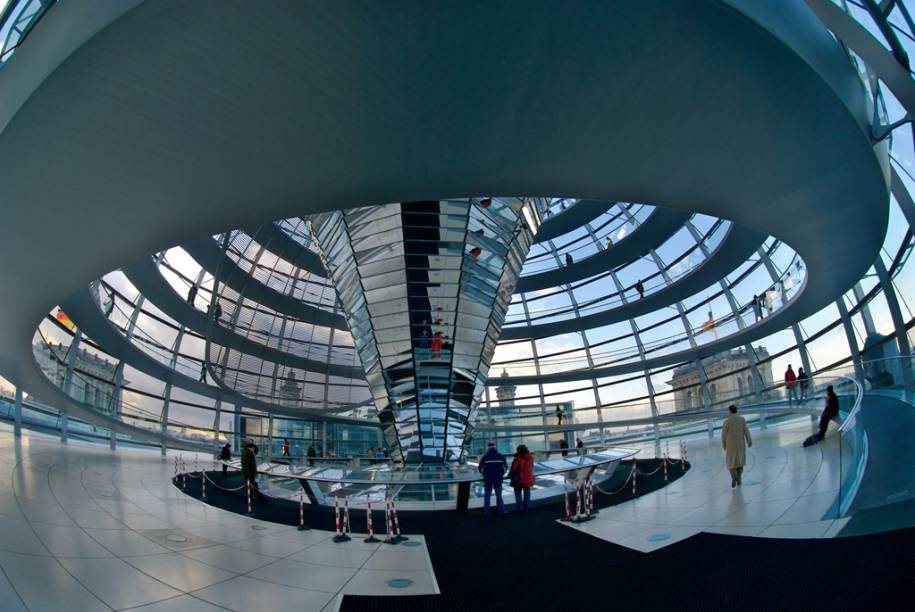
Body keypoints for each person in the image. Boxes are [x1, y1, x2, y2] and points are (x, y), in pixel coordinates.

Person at [722, 404, 752, 488]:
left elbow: (723, 435)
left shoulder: (726, 422)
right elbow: (746, 431)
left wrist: (724, 445)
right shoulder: (742, 419)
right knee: (740, 463)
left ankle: (734, 478)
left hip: (730, 445)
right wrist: (749, 441)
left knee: (731, 464)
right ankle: (738, 478)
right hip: (740, 444)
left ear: (729, 411)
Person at [478, 442, 507, 515]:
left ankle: (486, 512)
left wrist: (484, 475)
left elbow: (480, 468)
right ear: (495, 447)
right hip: (498, 479)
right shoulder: (501, 456)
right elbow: (505, 468)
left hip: (487, 479)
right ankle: (501, 511)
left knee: (487, 497)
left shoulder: (485, 457)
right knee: (499, 496)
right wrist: (501, 474)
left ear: (488, 447)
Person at [508, 445, 535, 511]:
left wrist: (510, 474)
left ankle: (520, 508)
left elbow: (514, 469)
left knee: (518, 493)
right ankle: (526, 507)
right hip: (528, 478)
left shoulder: (518, 458)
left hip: (519, 479)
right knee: (527, 493)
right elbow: (531, 466)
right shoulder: (530, 458)